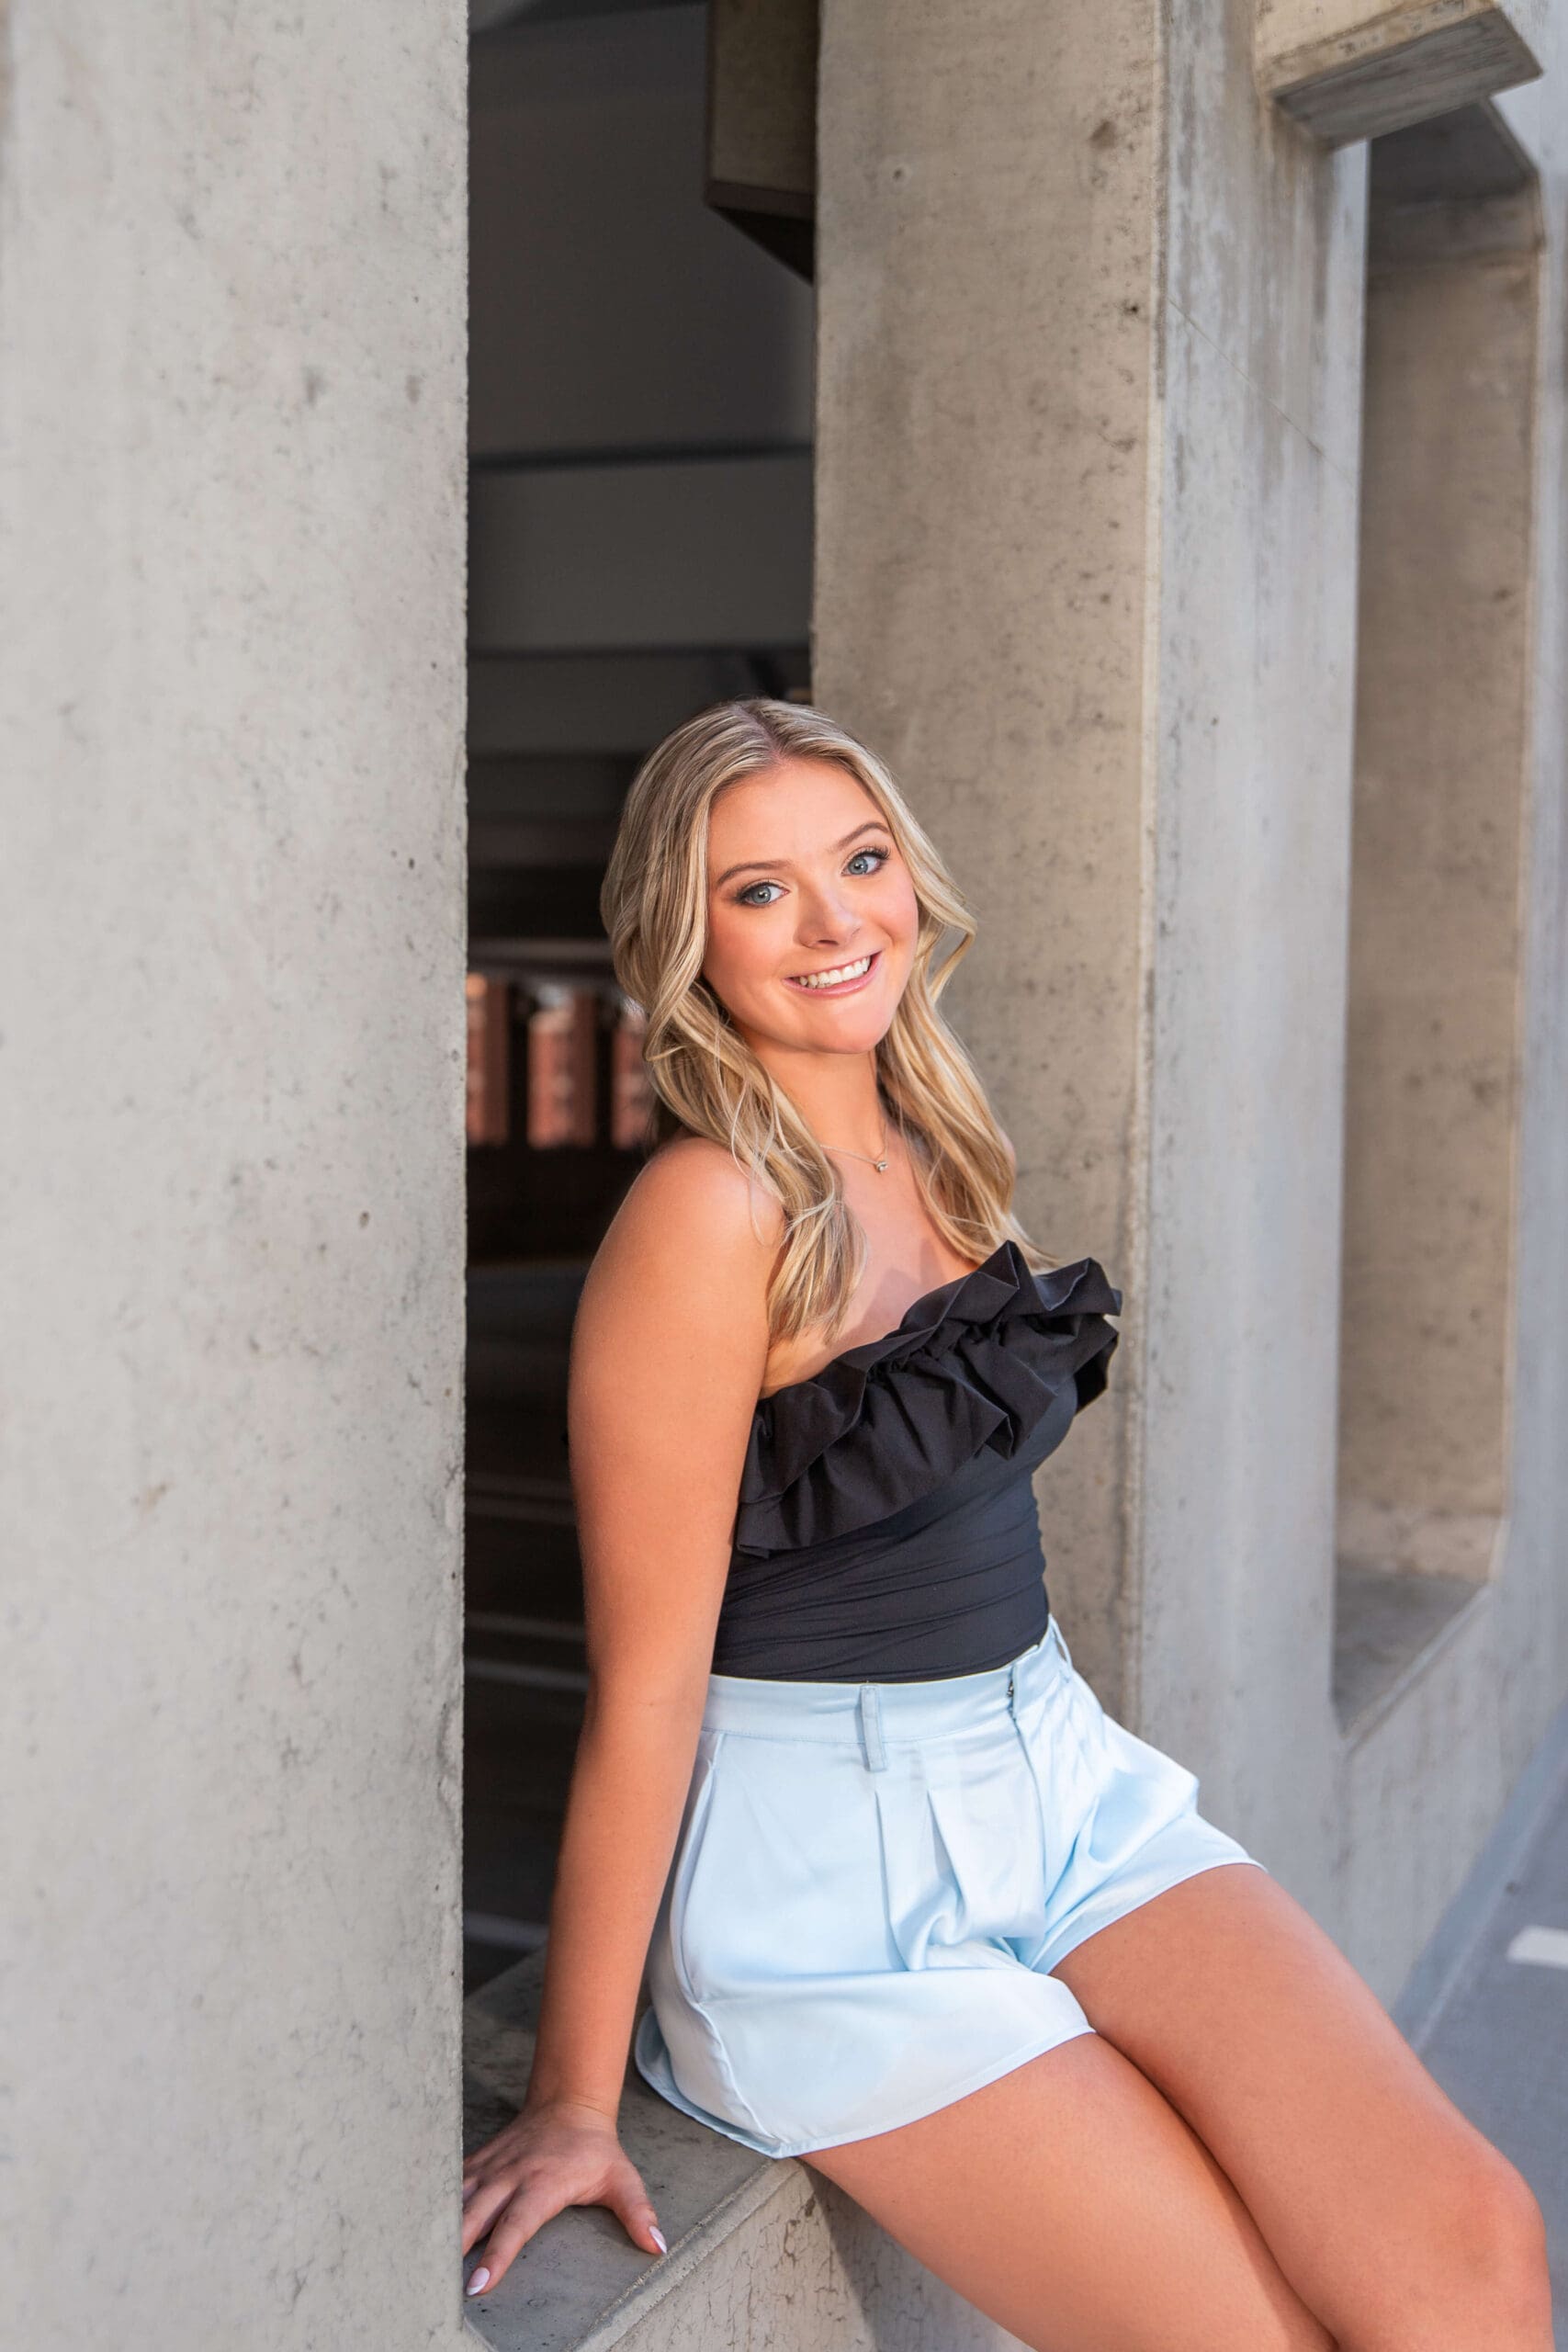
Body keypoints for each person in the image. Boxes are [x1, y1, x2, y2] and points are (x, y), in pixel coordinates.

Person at [459, 699, 1551, 2350]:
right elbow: (648, 1688)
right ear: (685, 945)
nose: (836, 923)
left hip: (1055, 1778)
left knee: (1473, 2242)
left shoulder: (939, 1145)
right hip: (828, 1880)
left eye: (862, 860)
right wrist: (571, 2096)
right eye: (759, 892)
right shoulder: (709, 1216)